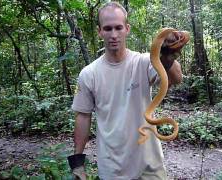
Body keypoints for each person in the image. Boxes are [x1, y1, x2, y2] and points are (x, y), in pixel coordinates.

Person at [68, 1, 188, 180]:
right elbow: (83, 116)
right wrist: (77, 162)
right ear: (100, 31)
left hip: (150, 167)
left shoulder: (145, 61)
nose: (114, 34)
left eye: (118, 27)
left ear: (127, 29)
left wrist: (168, 55)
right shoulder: (89, 74)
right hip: (112, 170)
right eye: (108, 29)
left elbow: (177, 78)